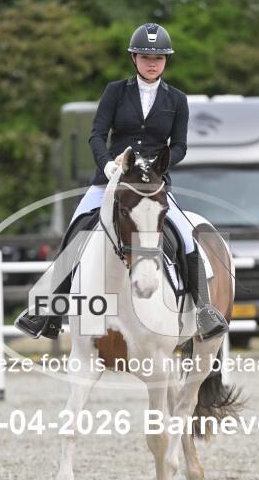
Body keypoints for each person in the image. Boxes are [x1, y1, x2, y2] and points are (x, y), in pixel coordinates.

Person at [15, 23, 229, 340]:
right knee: (75, 231)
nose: (152, 63)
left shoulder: (177, 99)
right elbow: (96, 135)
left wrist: (159, 165)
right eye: (145, 57)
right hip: (111, 180)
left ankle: (203, 310)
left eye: (158, 58)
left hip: (152, 185)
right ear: (134, 58)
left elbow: (181, 146)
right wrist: (106, 164)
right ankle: (48, 311)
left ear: (166, 61)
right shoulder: (115, 92)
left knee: (185, 236)